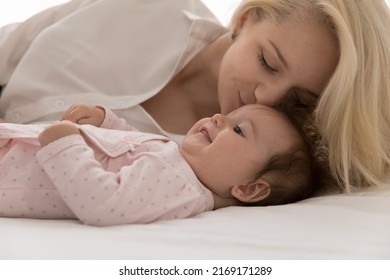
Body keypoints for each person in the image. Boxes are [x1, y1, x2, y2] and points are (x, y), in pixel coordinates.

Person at [0, 0, 389, 192]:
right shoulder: (150, 8)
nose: (266, 98)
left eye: (299, 101)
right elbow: (13, 43)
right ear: (244, 19)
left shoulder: (234, 166)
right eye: (268, 63)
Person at [0, 103, 315, 226]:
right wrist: (105, 120)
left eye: (237, 129)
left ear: (249, 188)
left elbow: (104, 202)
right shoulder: (180, 160)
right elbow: (130, 147)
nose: (218, 117)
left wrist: (65, 145)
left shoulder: (180, 187)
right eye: (228, 114)